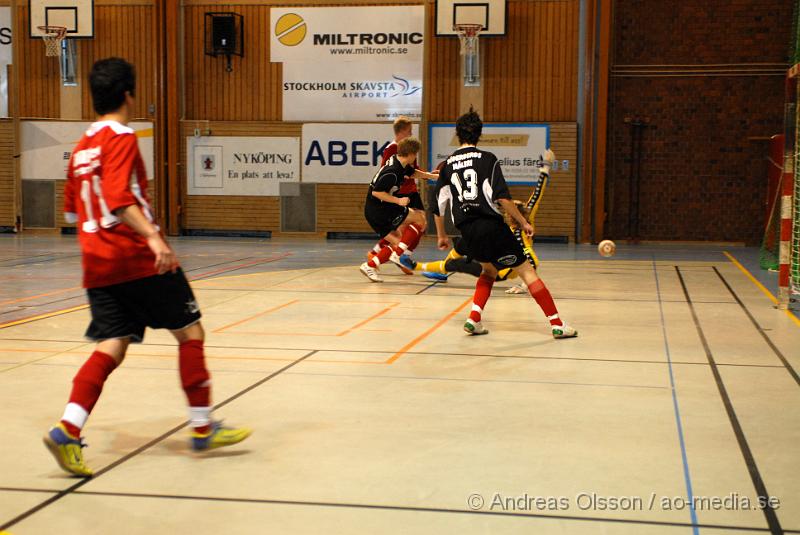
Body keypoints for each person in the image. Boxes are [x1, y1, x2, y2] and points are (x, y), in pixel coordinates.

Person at [44, 58, 250, 478]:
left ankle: (69, 428)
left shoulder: (82, 146)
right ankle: (202, 425)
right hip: (137, 258)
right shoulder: (120, 137)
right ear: (127, 95)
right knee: (190, 331)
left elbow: (70, 212)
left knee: (112, 345)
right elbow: (119, 198)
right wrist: (155, 239)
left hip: (97, 265)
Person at [432, 109, 577, 338]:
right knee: (527, 272)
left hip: (467, 231)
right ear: (479, 134)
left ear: (457, 134)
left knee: (488, 271)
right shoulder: (487, 159)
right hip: (491, 226)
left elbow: (438, 205)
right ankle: (557, 324)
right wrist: (522, 222)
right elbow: (502, 198)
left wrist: (441, 235)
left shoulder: (447, 165)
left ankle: (474, 319)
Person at [367, 117, 437, 273]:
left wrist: (430, 175)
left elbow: (413, 171)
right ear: (402, 131)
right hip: (401, 193)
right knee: (411, 225)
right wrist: (397, 198)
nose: (411, 133)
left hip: (411, 191)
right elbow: (386, 172)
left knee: (418, 224)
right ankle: (389, 254)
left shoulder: (408, 148)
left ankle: (399, 255)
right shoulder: (393, 149)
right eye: (409, 131)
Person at [360, 137, 428, 282]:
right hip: (379, 211)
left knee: (397, 241)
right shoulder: (392, 172)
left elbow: (413, 172)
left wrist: (433, 176)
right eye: (415, 154)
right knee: (420, 219)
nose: (415, 157)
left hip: (378, 210)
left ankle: (369, 266)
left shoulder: (399, 162)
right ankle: (397, 255)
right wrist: (399, 200)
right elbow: (376, 192)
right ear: (410, 153)